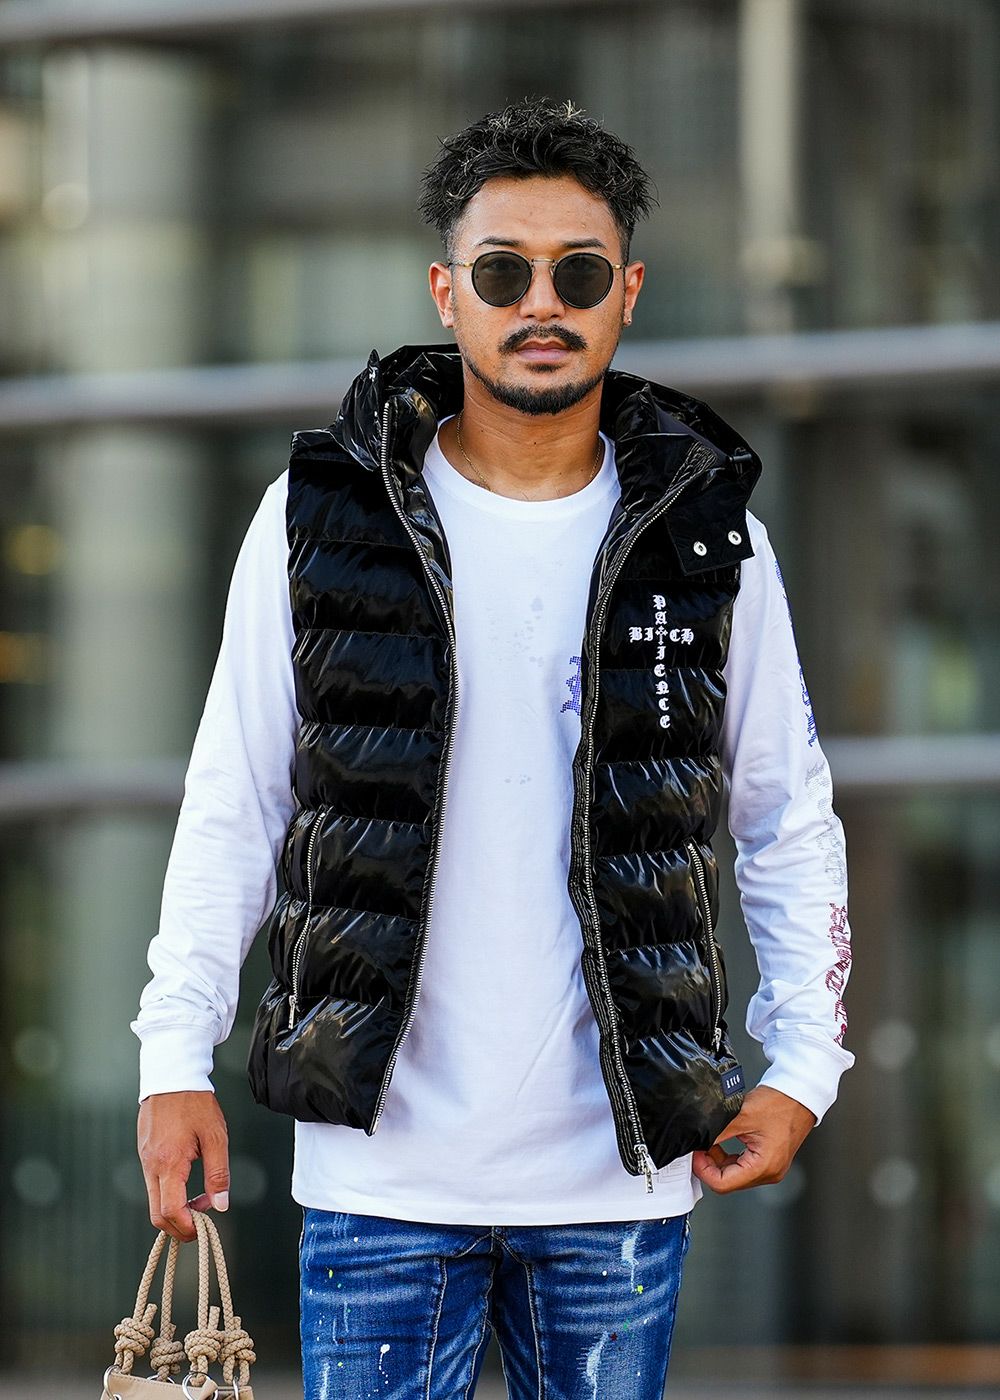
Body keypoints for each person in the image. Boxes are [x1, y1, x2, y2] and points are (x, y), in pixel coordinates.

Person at [132, 97, 855, 1399]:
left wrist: (806, 1067)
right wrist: (172, 1057)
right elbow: (235, 800)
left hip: (618, 1181)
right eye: (503, 272)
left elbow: (784, 814)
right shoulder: (319, 516)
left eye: (578, 273)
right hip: (381, 1181)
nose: (542, 304)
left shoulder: (708, 538)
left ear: (627, 291)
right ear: (446, 291)